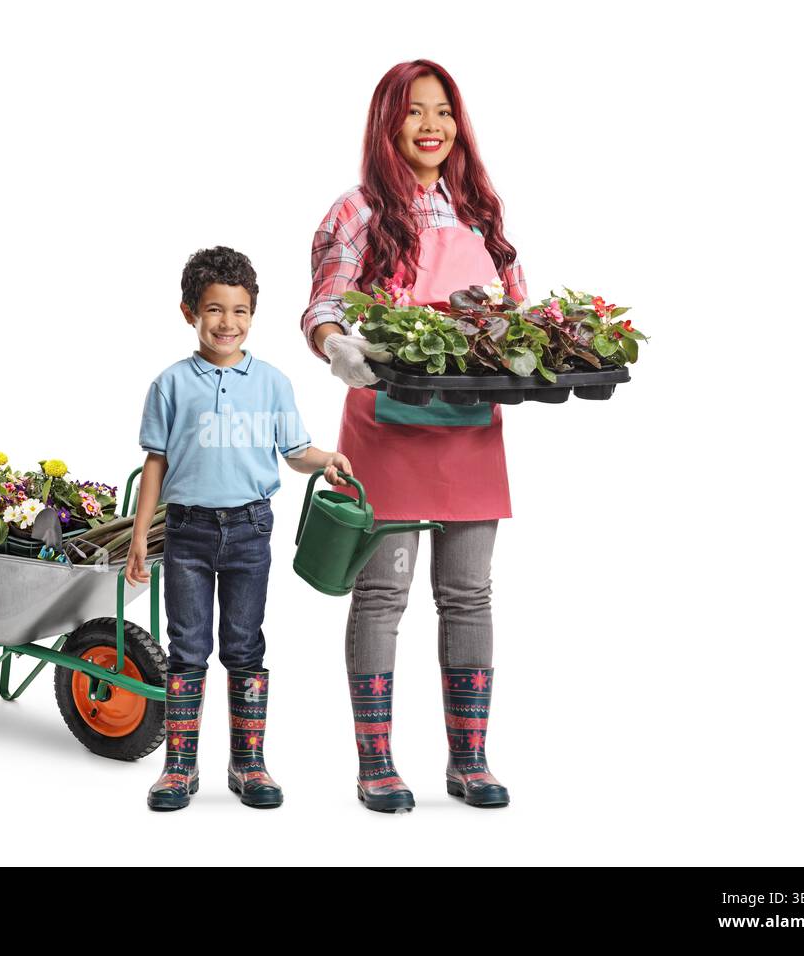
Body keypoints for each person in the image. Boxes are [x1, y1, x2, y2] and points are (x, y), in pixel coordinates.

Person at [301, 60, 528, 813]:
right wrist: (336, 344)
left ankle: (471, 760)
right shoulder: (357, 210)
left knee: (468, 596)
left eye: (444, 112)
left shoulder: (478, 211)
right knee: (381, 595)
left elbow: (518, 311)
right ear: (388, 121)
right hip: (385, 429)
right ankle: (376, 764)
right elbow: (322, 307)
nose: (432, 126)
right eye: (415, 111)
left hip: (468, 429)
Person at [126, 245, 351, 812]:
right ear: (189, 313)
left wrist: (325, 459)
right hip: (186, 533)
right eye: (214, 310)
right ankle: (179, 767)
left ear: (253, 314)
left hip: (251, 529)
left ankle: (248, 762)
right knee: (188, 646)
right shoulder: (171, 385)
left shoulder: (272, 383)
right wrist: (137, 535)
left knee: (245, 645)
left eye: (240, 310)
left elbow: (295, 451)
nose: (227, 322)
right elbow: (156, 461)